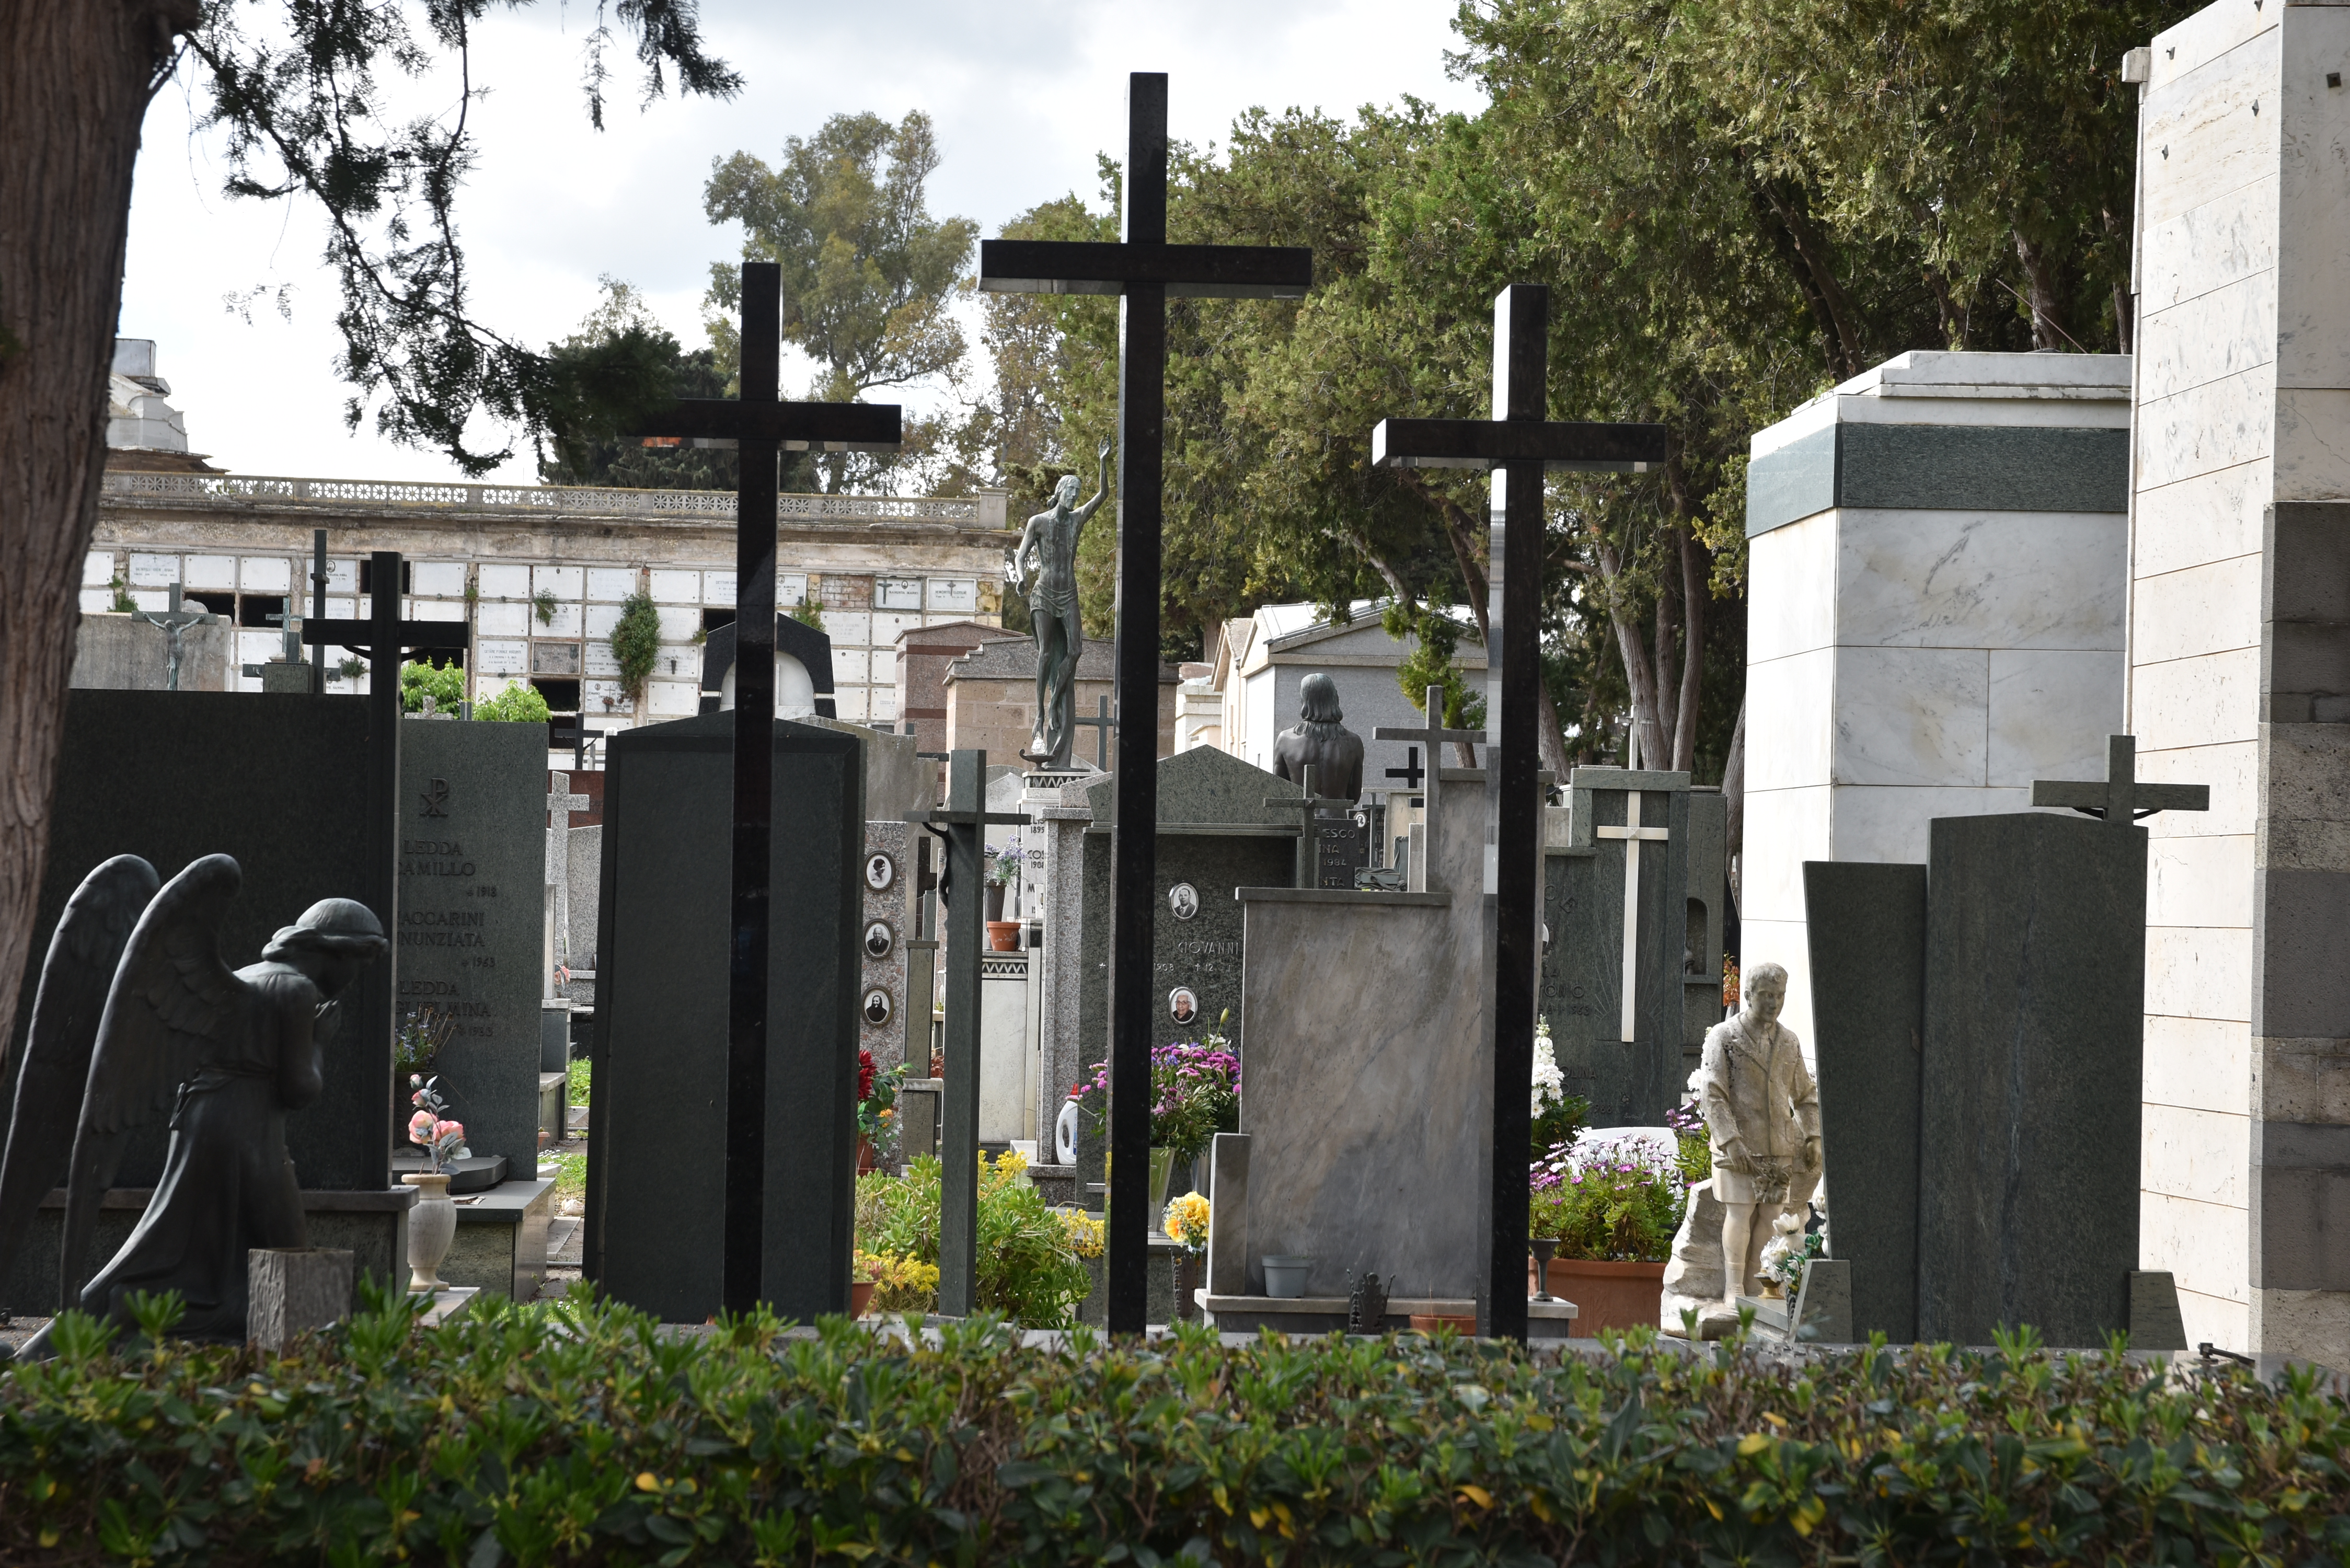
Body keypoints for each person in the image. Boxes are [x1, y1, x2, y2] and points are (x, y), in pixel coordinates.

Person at [1695, 961, 1821, 1306]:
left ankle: (1756, 1283)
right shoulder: (1724, 1037)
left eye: (1779, 995)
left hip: (1777, 1146)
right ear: (1749, 995)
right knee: (1740, 1213)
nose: (1773, 1003)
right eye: (1766, 995)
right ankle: (1733, 1285)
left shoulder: (1789, 1041)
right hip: (1738, 1146)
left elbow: (1805, 1095)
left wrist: (1813, 1136)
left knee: (1771, 1216)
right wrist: (1730, 1141)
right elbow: (1713, 1092)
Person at [1007, 437, 1114, 767]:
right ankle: (1040, 714)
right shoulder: (1038, 522)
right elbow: (1020, 556)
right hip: (1042, 593)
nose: (1075, 497)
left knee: (1076, 650)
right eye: (1071, 491)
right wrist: (1021, 578)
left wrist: (1103, 462)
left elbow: (1104, 495)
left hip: (1068, 594)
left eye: (1078, 493)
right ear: (1061, 491)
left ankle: (1055, 703)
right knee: (1045, 653)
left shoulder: (1077, 520)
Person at [1271, 672, 1364, 803]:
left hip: (1299, 815)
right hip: (1336, 815)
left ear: (1304, 700)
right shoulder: (1354, 742)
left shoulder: (1285, 739)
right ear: (1335, 698)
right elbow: (1354, 796)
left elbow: (1279, 791)